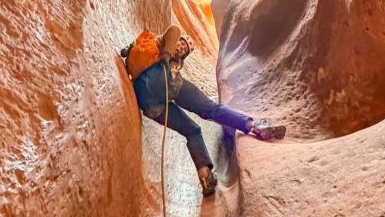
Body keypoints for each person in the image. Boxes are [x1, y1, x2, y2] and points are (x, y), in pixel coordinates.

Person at [121, 25, 285, 195]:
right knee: (212, 109)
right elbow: (175, 30)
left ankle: (205, 175)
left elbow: (128, 52)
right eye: (182, 44)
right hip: (163, 80)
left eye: (184, 49)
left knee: (192, 131)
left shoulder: (145, 46)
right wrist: (166, 55)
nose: (181, 47)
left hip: (148, 102)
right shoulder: (162, 45)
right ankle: (254, 125)